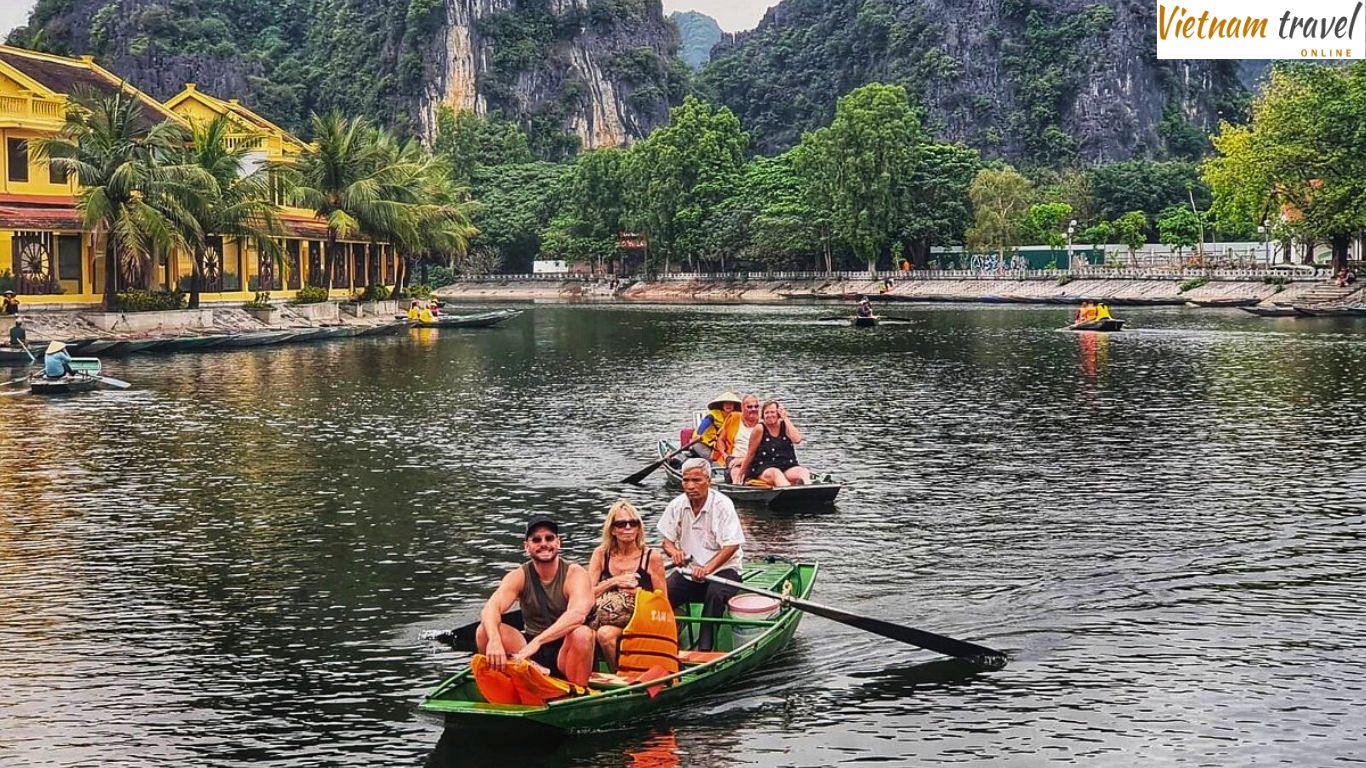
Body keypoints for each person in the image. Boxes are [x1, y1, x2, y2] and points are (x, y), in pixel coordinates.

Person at [476, 515, 595, 687]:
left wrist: (538, 642)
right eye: (536, 540)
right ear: (527, 546)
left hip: (565, 649)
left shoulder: (575, 574)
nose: (544, 544)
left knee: (582, 634)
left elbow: (577, 615)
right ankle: (513, 680)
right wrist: (494, 640)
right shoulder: (518, 575)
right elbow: (490, 608)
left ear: (558, 543)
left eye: (549, 538)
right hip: (529, 650)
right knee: (484, 631)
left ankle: (576, 690)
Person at [658, 458, 745, 652]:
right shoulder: (676, 505)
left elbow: (732, 545)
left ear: (708, 481)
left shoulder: (722, 505)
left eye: (696, 480)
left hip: (723, 570)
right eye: (686, 480)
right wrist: (675, 553)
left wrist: (707, 569)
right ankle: (665, 641)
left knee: (714, 595)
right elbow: (666, 541)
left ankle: (705, 649)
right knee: (660, 595)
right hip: (689, 572)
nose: (690, 486)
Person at [587, 500, 668, 671]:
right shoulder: (601, 554)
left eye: (633, 523)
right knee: (584, 631)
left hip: (640, 617)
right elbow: (587, 594)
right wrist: (614, 581)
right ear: (612, 530)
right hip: (604, 616)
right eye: (621, 524)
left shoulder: (651, 557)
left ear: (639, 528)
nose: (628, 528)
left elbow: (662, 601)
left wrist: (639, 594)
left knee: (605, 634)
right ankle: (598, 672)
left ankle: (619, 673)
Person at [736, 400, 812, 487]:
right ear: (763, 415)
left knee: (803, 472)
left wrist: (785, 418)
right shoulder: (760, 428)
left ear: (778, 413)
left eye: (772, 412)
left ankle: (809, 490)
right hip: (764, 468)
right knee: (776, 473)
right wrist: (741, 474)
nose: (770, 415)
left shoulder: (785, 425)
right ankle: (788, 492)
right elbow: (750, 453)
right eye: (767, 413)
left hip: (786, 466)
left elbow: (797, 440)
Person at [718, 393, 762, 484]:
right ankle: (738, 487)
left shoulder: (764, 422)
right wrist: (725, 455)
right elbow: (720, 440)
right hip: (735, 460)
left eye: (756, 406)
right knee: (736, 473)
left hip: (758, 461)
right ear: (742, 408)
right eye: (749, 407)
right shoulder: (734, 418)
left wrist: (744, 460)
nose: (753, 409)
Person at [692, 391, 741, 462]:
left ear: (734, 406)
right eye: (726, 404)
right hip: (703, 443)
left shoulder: (736, 416)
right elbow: (705, 423)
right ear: (722, 405)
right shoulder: (713, 414)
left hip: (721, 445)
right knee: (711, 459)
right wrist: (699, 434)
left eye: (730, 404)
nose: (728, 406)